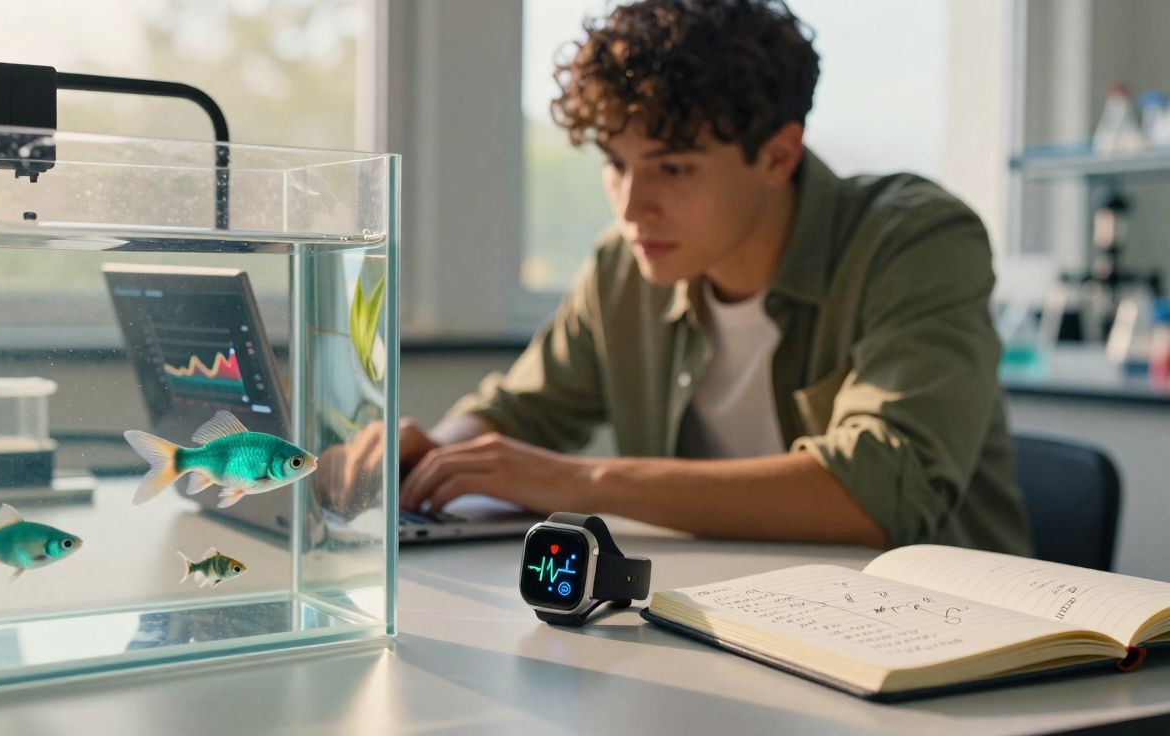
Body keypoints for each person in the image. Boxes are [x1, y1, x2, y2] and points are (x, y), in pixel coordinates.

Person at [329, 0, 1031, 554]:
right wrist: (437, 452)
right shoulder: (624, 268)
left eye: (673, 167)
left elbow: (878, 492)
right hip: (735, 625)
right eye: (615, 162)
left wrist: (579, 481)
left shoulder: (914, 241)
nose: (633, 206)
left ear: (779, 156)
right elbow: (522, 411)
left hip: (950, 656)